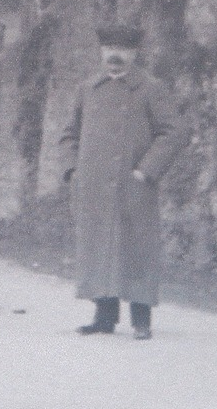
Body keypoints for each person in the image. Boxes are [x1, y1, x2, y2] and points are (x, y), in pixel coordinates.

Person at [59, 22, 190, 339]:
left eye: (122, 50)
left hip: (133, 185)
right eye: (109, 49)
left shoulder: (150, 88)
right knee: (98, 247)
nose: (114, 56)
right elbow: (68, 135)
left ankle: (141, 320)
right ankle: (103, 318)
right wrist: (73, 170)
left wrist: (145, 170)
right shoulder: (88, 88)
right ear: (102, 52)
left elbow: (174, 133)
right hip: (93, 186)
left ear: (134, 53)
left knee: (136, 249)